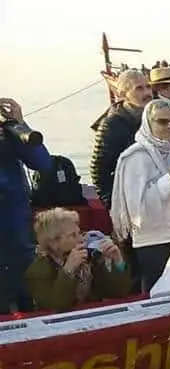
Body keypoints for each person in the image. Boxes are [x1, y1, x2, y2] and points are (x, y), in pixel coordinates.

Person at [111, 100, 170, 292]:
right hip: (156, 243)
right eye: (162, 122)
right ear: (148, 123)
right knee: (161, 299)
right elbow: (138, 211)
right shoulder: (135, 157)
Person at [0, 97, 52, 313]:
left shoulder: (8, 134)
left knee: (27, 302)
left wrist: (20, 125)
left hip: (18, 237)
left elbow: (42, 163)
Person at [25, 208, 132, 312]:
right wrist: (68, 270)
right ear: (54, 243)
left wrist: (118, 262)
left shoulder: (90, 259)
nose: (81, 239)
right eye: (73, 235)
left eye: (79, 233)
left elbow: (117, 292)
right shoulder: (37, 271)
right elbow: (57, 305)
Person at [91, 69, 153, 209]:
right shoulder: (111, 125)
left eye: (148, 87)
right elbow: (99, 171)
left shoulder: (154, 118)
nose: (147, 93)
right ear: (123, 94)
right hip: (129, 200)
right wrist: (112, 205)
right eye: (139, 88)